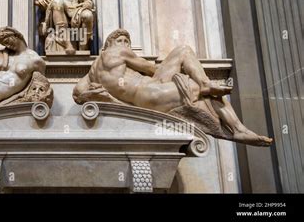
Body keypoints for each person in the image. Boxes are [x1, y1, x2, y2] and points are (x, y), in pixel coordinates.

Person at [74, 29, 273, 146]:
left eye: (127, 41)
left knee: (191, 70)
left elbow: (78, 94)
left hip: (146, 94)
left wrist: (108, 99)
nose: (125, 44)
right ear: (111, 43)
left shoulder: (91, 72)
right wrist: (175, 71)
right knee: (187, 58)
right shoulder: (119, 52)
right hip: (151, 92)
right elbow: (151, 68)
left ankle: (209, 92)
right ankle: (237, 127)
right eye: (121, 40)